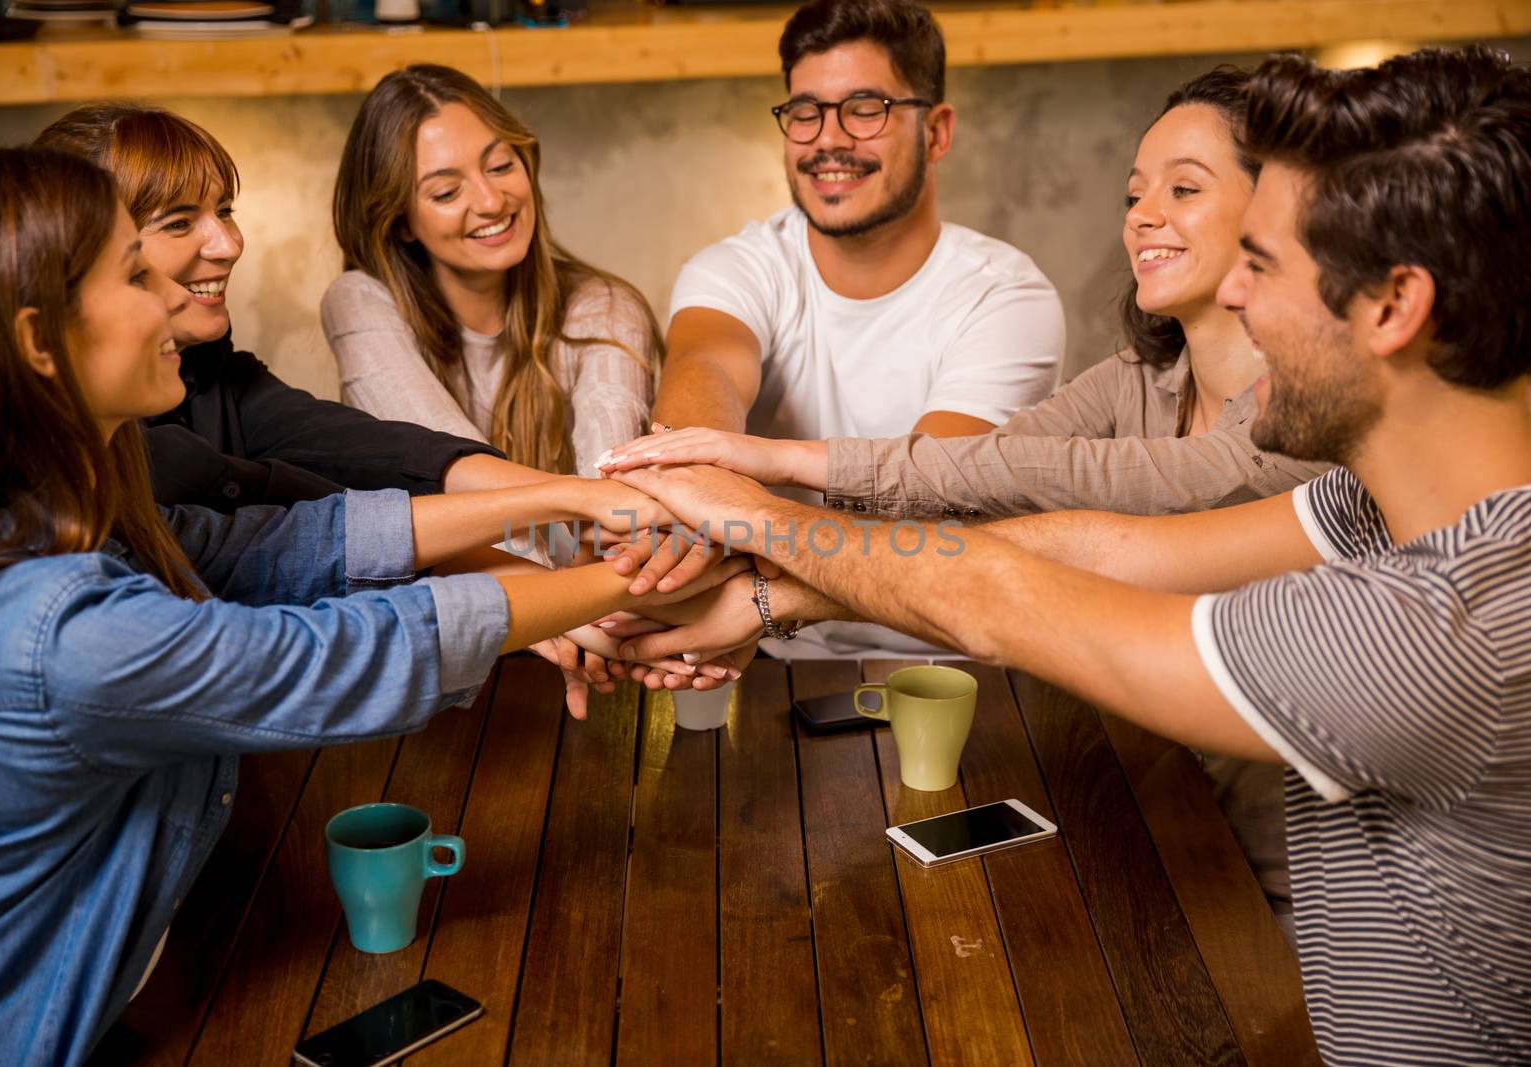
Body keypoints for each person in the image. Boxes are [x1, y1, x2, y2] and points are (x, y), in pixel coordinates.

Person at [610, 47, 1531, 1065]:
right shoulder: (1383, 504)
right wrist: (764, 597)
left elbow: (1010, 602)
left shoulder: (1446, 629)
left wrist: (759, 519)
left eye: (1263, 265)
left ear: (1393, 307)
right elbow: (1105, 545)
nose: (1236, 303)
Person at [0, 146, 737, 1067]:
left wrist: (568, 501)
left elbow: (284, 546)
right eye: (135, 272)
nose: (173, 293)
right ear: (39, 341)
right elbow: (326, 655)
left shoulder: (51, 515)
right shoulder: (56, 630)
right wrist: (653, 574)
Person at [602, 67, 1327, 520]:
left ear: (1279, 207)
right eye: (1134, 193)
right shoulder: (1137, 382)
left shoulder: (1316, 412)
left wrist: (782, 470)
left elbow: (1081, 479)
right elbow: (975, 474)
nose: (1140, 215)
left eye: (1185, 188)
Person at [647, 0, 1063, 655]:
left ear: (937, 131)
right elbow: (703, 381)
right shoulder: (735, 268)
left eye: (865, 108)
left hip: (961, 661)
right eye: (805, 111)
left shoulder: (1006, 296)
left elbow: (927, 504)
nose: (828, 139)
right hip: (767, 657)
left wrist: (744, 546)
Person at [33, 103, 554, 514]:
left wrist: (570, 504)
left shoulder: (213, 371)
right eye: (178, 223)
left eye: (224, 212)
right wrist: (552, 538)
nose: (229, 244)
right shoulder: (92, 441)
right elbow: (310, 532)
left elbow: (372, 450)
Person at [322, 64, 658, 479]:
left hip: (586, 545)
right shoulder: (359, 301)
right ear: (400, 221)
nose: (490, 201)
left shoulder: (604, 307)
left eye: (500, 166)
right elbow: (454, 470)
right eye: (446, 192)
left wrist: (597, 523)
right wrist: (585, 518)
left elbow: (613, 484)